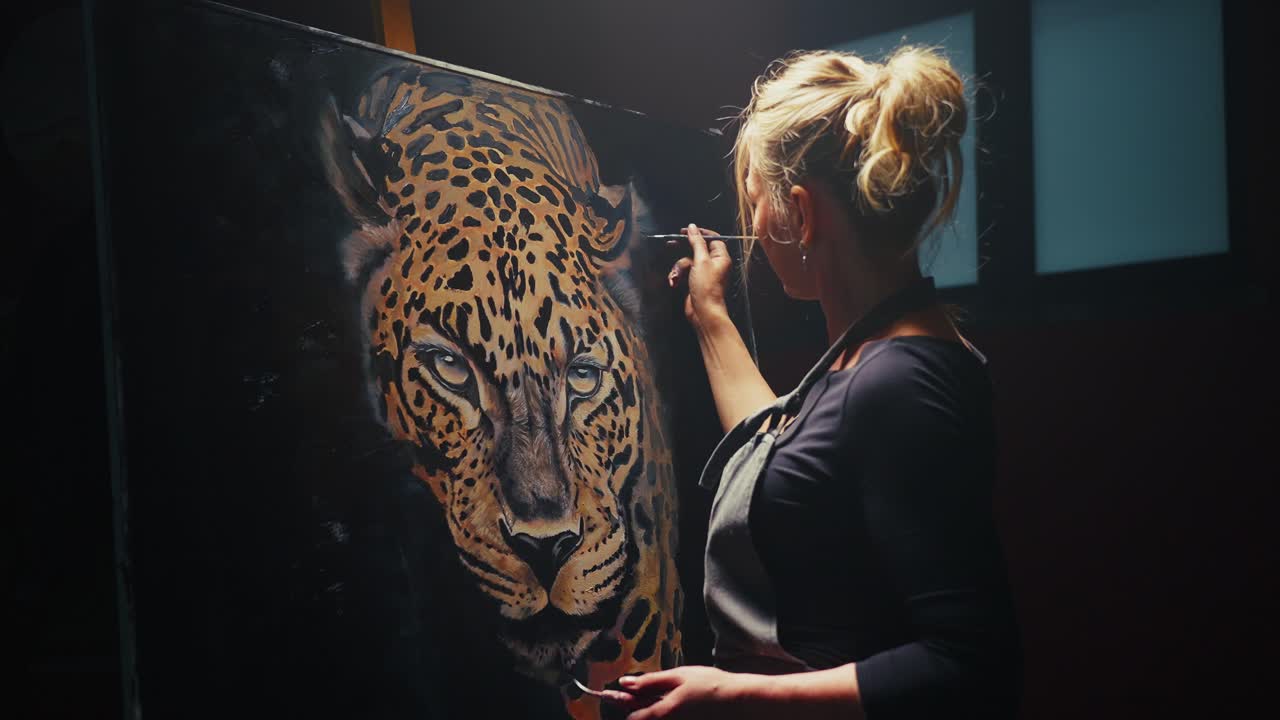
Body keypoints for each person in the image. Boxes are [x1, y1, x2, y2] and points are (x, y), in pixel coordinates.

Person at [602, 45, 1023, 719]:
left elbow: (969, 663)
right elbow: (788, 452)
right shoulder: (876, 355)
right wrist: (710, 318)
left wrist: (741, 695)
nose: (757, 233)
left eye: (757, 204)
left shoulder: (898, 383)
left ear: (800, 211)